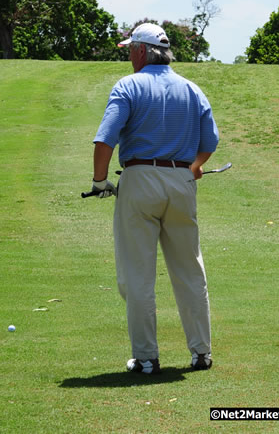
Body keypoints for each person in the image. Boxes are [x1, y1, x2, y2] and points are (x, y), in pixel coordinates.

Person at [89, 22, 219, 374]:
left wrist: (100, 182)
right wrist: (192, 167)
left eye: (132, 49)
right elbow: (210, 143)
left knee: (138, 274)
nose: (130, 55)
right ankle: (201, 353)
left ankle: (146, 358)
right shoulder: (193, 90)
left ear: (143, 51)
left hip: (140, 178)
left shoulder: (129, 85)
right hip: (181, 181)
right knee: (190, 269)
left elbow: (105, 141)